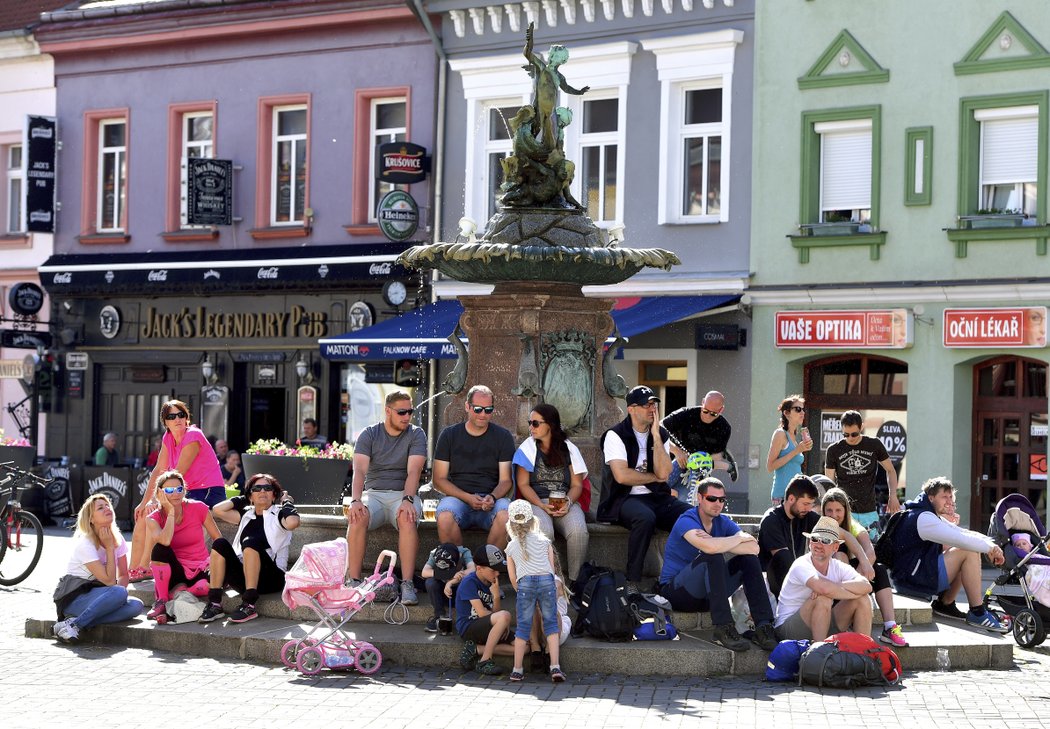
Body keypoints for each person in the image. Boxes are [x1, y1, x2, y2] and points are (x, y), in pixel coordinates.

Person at [657, 477, 778, 652]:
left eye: (722, 499)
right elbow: (710, 547)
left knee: (748, 560)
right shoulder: (687, 520)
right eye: (711, 499)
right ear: (699, 498)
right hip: (678, 593)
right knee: (712, 556)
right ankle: (723, 628)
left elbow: (754, 548)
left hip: (709, 595)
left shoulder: (723, 521)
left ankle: (763, 627)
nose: (717, 504)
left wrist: (721, 543)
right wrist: (738, 538)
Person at [888, 476, 1008, 632]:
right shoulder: (923, 518)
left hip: (911, 576)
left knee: (964, 549)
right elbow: (961, 539)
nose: (949, 501)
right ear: (931, 498)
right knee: (967, 551)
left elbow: (961, 532)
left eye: (951, 496)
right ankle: (977, 612)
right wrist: (989, 549)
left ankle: (945, 604)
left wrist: (992, 545)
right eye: (944, 496)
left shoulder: (924, 512)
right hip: (912, 581)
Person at [597, 385, 689, 584]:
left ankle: (681, 577)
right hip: (623, 498)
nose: (652, 409)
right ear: (631, 409)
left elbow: (664, 473)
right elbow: (621, 476)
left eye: (654, 404)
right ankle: (633, 582)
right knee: (645, 518)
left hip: (656, 497)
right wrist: (653, 477)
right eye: (646, 405)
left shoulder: (661, 434)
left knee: (689, 516)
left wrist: (656, 436)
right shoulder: (615, 435)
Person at [344, 390, 426, 605]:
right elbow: (359, 470)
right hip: (375, 495)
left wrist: (408, 499)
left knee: (407, 516)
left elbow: (414, 472)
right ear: (388, 411)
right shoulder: (369, 434)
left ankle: (407, 583)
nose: (407, 416)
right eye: (402, 412)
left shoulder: (417, 434)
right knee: (357, 516)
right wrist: (355, 500)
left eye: (410, 411)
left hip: (402, 494)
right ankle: (353, 581)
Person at [129, 399, 226, 580]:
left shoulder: (193, 435)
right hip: (182, 489)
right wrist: (145, 501)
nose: (177, 419)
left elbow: (176, 474)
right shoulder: (168, 437)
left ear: (186, 417)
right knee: (143, 514)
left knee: (155, 513)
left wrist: (157, 500)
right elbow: (159, 470)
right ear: (165, 422)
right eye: (171, 416)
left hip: (207, 491)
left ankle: (145, 566)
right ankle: (134, 568)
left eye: (181, 414)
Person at [198, 473, 301, 623]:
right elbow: (218, 510)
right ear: (250, 496)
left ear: (274, 495)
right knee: (219, 544)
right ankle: (214, 603)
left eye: (267, 488)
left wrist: (286, 502)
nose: (262, 491)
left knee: (250, 541)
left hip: (272, 579)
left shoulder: (279, 515)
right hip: (245, 578)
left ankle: (249, 604)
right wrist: (246, 497)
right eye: (257, 488)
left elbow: (293, 523)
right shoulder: (247, 514)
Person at [821, 487, 907, 647]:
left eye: (838, 510)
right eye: (829, 510)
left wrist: (857, 580)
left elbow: (870, 552)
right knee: (840, 555)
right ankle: (847, 615)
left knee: (879, 569)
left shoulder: (852, 524)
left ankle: (890, 626)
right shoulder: (819, 527)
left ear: (846, 510)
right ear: (823, 511)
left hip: (848, 583)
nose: (834, 515)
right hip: (829, 588)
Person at [758, 474, 868, 599]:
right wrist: (818, 585)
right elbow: (785, 562)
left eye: (811, 504)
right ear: (791, 498)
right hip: (777, 589)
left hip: (804, 583)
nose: (809, 508)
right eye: (805, 503)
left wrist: (865, 562)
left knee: (860, 597)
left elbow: (845, 534)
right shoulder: (771, 520)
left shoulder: (806, 516)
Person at [52, 494, 143, 643]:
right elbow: (109, 582)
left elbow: (124, 575)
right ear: (91, 519)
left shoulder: (118, 539)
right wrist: (109, 548)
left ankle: (75, 622)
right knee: (119, 591)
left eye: (108, 505)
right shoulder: (85, 544)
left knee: (136, 605)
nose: (107, 508)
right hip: (74, 599)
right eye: (100, 508)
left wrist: (115, 599)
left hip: (98, 596)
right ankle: (75, 625)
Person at [513, 403, 589, 580]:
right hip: (537, 501)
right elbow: (523, 485)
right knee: (544, 531)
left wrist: (568, 503)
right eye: (529, 422)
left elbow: (577, 484)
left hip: (564, 501)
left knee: (578, 530)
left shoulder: (568, 449)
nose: (531, 427)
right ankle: (551, 582)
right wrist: (540, 504)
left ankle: (575, 583)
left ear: (550, 425)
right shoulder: (527, 449)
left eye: (536, 423)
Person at [434, 385, 515, 549]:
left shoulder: (503, 436)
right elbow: (438, 480)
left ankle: (487, 567)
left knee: (507, 514)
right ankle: (460, 568)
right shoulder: (449, 435)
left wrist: (492, 497)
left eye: (488, 409)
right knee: (444, 516)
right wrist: (467, 498)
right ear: (467, 407)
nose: (483, 414)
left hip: (492, 500)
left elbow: (506, 480)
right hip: (458, 499)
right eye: (477, 409)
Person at [774, 515, 873, 641]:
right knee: (823, 598)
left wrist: (835, 588)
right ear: (810, 543)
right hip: (788, 629)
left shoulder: (837, 566)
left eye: (826, 540)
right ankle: (819, 653)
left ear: (836, 547)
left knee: (863, 599)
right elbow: (824, 589)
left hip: (820, 622)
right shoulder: (801, 564)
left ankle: (863, 653)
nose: (819, 544)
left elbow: (866, 586)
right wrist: (847, 591)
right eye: (815, 539)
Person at [146, 470, 222, 623]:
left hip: (200, 566)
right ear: (160, 493)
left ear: (184, 490)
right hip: (174, 570)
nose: (175, 494)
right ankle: (162, 600)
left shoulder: (199, 508)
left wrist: (213, 563)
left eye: (179, 489)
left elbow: (218, 539)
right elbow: (165, 540)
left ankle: (179, 591)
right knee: (160, 549)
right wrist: (171, 512)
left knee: (210, 584)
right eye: (169, 490)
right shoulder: (153, 518)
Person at [505, 500, 566, 682]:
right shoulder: (545, 541)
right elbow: (552, 570)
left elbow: (512, 576)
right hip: (546, 581)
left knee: (523, 627)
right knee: (551, 625)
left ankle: (517, 669)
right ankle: (555, 667)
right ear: (533, 520)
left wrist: (520, 589)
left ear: (510, 523)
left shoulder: (511, 547)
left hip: (525, 584)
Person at [824, 410, 900, 538]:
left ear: (862, 427)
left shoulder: (873, 444)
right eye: (846, 434)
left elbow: (891, 470)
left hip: (868, 511)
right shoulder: (834, 450)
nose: (850, 438)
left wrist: (893, 495)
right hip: (845, 512)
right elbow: (829, 484)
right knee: (846, 552)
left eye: (854, 434)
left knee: (873, 550)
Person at [456, 544, 514, 676]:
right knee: (505, 616)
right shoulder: (469, 582)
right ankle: (484, 661)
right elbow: (482, 613)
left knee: (523, 646)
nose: (497, 573)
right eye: (493, 570)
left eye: (498, 569)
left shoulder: (492, 583)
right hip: (469, 627)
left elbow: (496, 613)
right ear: (479, 568)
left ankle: (477, 649)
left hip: (488, 626)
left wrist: (496, 597)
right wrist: (502, 620)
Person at [662, 390, 738, 482]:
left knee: (687, 493)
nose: (708, 416)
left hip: (701, 464)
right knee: (664, 488)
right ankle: (728, 466)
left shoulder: (724, 427)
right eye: (705, 410)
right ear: (702, 402)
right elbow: (658, 428)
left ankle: (729, 467)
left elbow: (716, 456)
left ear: (721, 410)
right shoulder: (686, 415)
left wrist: (698, 462)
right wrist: (676, 451)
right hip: (677, 459)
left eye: (713, 414)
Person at [766, 396, 812, 505]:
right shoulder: (780, 434)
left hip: (796, 495)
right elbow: (770, 466)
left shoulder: (794, 436)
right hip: (783, 496)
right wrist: (797, 451)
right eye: (798, 409)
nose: (802, 412)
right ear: (787, 413)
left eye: (803, 409)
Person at [421, 542, 475, 633]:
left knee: (470, 581)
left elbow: (473, 569)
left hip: (460, 591)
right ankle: (439, 616)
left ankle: (466, 618)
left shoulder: (464, 552)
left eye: (449, 571)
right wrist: (446, 575)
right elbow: (424, 572)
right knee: (430, 582)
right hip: (443, 592)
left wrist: (452, 581)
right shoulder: (435, 553)